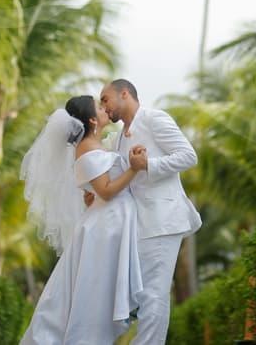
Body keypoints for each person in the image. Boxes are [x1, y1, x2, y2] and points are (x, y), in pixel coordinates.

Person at [19, 95, 149, 344]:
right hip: (104, 228)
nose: (104, 109)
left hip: (108, 222)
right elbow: (107, 191)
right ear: (92, 119)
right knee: (92, 297)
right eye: (100, 107)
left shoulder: (96, 145)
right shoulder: (87, 148)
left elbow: (97, 189)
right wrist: (134, 168)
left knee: (93, 294)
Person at [96, 79, 202, 345]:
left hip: (164, 219)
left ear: (124, 94)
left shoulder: (155, 118)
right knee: (140, 295)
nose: (103, 107)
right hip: (139, 225)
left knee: (154, 293)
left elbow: (188, 156)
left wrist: (148, 165)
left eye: (105, 99)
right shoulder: (119, 138)